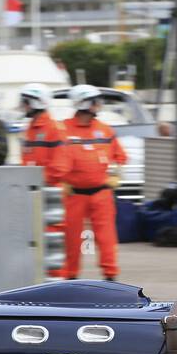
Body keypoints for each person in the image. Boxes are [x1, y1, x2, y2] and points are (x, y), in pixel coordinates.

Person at [51, 84, 127, 281]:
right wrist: (61, 181)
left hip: (101, 194)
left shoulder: (105, 130)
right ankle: (69, 278)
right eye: (95, 101)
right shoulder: (63, 129)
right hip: (73, 194)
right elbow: (54, 156)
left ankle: (111, 277)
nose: (99, 105)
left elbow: (120, 157)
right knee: (71, 238)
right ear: (83, 103)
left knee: (106, 237)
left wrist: (116, 176)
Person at [18, 82, 63, 182]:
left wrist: (37, 181)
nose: (23, 105)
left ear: (37, 102)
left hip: (49, 189)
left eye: (26, 102)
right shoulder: (29, 128)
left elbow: (59, 167)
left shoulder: (54, 128)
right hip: (31, 187)